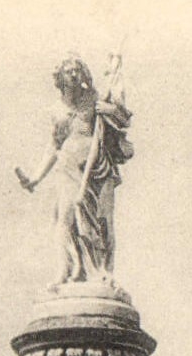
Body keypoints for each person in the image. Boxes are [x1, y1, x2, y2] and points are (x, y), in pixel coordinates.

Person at [16, 55, 133, 287]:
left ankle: (104, 271)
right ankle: (66, 270)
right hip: (69, 166)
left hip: (98, 165)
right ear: (60, 77)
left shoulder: (94, 97)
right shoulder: (57, 110)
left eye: (77, 70)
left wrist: (110, 109)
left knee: (104, 220)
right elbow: (54, 146)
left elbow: (123, 119)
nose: (73, 74)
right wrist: (36, 178)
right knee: (65, 220)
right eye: (68, 71)